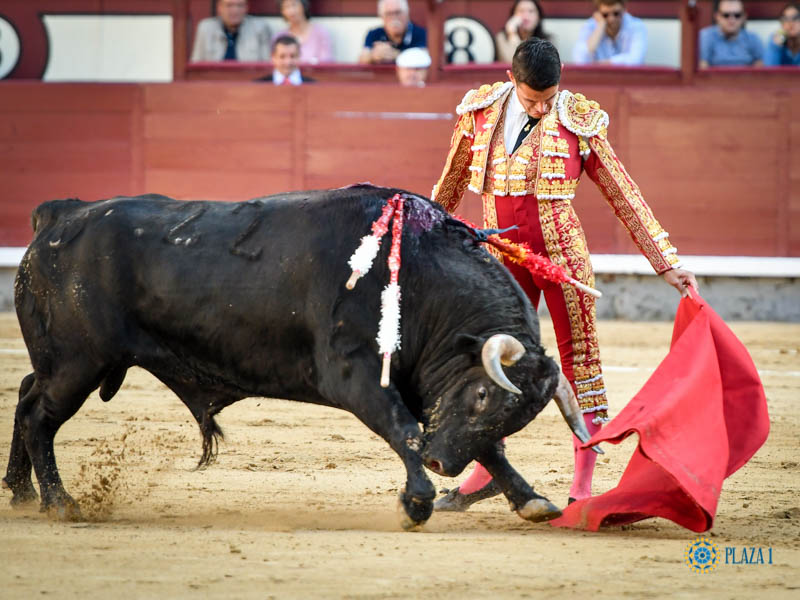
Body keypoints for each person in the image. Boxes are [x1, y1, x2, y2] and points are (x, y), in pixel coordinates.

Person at [430, 38, 697, 511]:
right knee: (489, 361)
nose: (541, 108)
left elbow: (623, 193)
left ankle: (583, 483)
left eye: (549, 98)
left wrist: (666, 261)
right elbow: (449, 186)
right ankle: (484, 474)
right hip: (502, 259)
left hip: (563, 259)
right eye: (533, 99)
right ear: (511, 81)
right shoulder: (480, 112)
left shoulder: (578, 119)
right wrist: (422, 231)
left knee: (581, 362)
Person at [191, 0, 271, 62]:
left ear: (246, 8)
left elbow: (267, 66)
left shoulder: (259, 28)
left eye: (240, 5)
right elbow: (196, 64)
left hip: (249, 81)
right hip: (213, 81)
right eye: (229, 5)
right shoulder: (206, 28)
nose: (235, 10)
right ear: (220, 7)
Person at [572, 0, 647, 65]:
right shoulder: (589, 26)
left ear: (624, 10)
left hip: (628, 79)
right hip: (598, 79)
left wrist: (602, 64)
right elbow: (580, 60)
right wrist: (600, 27)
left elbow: (636, 60)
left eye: (616, 13)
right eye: (605, 15)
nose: (611, 19)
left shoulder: (636, 26)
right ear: (598, 14)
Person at [359, 0, 427, 64]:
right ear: (382, 16)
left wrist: (396, 55)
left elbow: (425, 56)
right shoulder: (374, 34)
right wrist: (373, 55)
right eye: (388, 14)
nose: (394, 17)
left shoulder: (421, 34)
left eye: (398, 12)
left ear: (407, 13)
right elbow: (361, 59)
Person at [698, 0, 763, 67]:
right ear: (717, 16)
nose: (731, 20)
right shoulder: (705, 37)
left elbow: (759, 72)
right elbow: (702, 71)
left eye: (737, 15)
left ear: (744, 17)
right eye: (726, 15)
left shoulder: (753, 39)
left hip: (746, 77)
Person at [275, 0, 333, 64]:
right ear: (282, 12)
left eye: (294, 5)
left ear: (304, 6)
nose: (291, 11)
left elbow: (326, 63)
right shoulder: (279, 37)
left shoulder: (320, 33)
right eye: (286, 7)